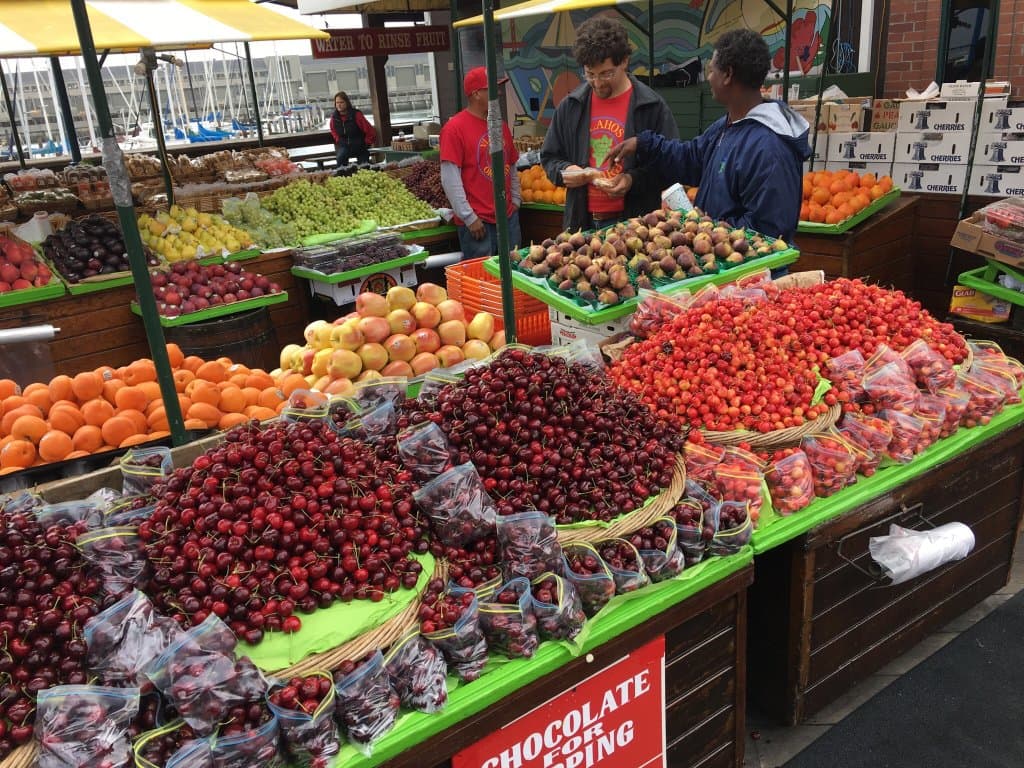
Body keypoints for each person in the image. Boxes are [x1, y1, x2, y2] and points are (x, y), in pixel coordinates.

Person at [604, 28, 810, 244]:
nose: (709, 78)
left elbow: (767, 233)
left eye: (712, 71)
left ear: (728, 75)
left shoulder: (769, 148)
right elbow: (691, 158)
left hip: (746, 265)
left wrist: (707, 229)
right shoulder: (728, 126)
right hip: (717, 257)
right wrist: (644, 144)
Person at [541, 16, 679, 232]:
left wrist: (632, 180)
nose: (597, 83)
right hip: (581, 224)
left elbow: (670, 164)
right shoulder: (571, 106)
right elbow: (549, 158)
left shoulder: (651, 106)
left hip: (635, 226)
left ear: (624, 61)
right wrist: (567, 171)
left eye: (606, 74)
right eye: (590, 75)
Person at [439, 66, 522, 260]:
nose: (499, 93)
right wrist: (469, 217)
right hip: (478, 223)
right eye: (492, 88)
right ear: (476, 94)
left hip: (508, 219)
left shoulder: (500, 125)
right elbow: (450, 178)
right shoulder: (454, 129)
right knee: (482, 276)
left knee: (516, 271)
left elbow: (511, 165)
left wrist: (515, 201)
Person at [329, 91, 376, 167]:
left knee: (364, 166)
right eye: (337, 103)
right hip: (345, 146)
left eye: (341, 102)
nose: (339, 105)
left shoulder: (356, 115)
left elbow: (369, 130)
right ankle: (342, 173)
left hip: (360, 146)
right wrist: (338, 139)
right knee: (340, 158)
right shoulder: (334, 118)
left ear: (347, 103)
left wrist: (366, 143)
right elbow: (333, 130)